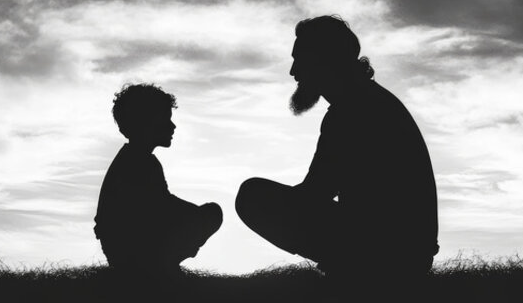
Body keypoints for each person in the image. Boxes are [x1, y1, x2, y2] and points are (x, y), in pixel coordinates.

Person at [235, 15, 439, 283]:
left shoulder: (353, 110)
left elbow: (315, 194)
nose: (293, 71)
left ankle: (351, 268)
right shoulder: (367, 100)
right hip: (408, 253)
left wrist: (284, 208)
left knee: (252, 195)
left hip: (392, 255)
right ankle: (348, 265)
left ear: (324, 60)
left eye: (300, 60)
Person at [94, 83, 222, 277]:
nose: (173, 126)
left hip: (124, 249)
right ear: (145, 123)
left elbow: (161, 203)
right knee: (212, 213)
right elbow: (159, 206)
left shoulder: (137, 159)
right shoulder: (137, 162)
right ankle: (159, 265)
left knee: (207, 214)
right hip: (131, 250)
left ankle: (162, 263)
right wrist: (197, 215)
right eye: (165, 120)